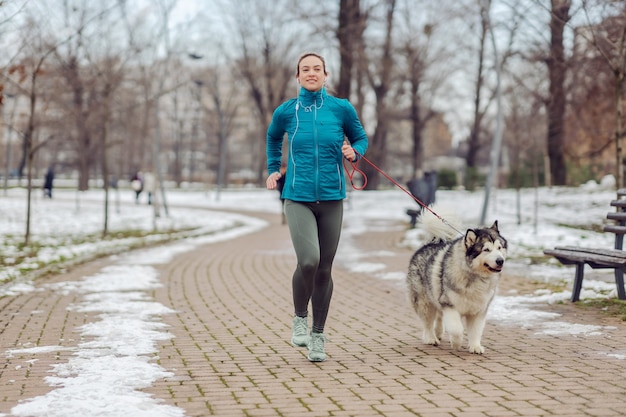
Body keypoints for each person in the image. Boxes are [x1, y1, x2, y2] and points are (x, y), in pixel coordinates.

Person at [266, 52, 369, 362]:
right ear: (298, 77)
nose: (311, 73)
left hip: (332, 198)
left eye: (317, 69)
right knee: (309, 260)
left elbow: (360, 137)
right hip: (297, 197)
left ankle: (318, 336)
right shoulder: (287, 111)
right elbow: (272, 138)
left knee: (325, 268)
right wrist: (274, 167)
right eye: (305, 69)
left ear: (326, 75)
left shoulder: (341, 108)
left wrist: (354, 152)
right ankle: (300, 317)